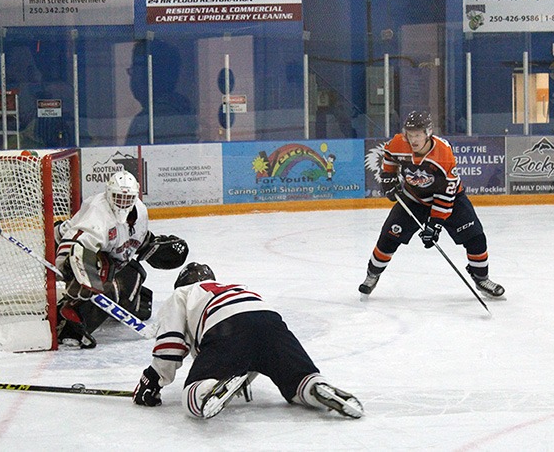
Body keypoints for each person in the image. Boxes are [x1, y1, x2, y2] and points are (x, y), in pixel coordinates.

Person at [132, 262, 363, 420]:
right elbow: (252, 343)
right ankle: (315, 388)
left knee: (192, 400)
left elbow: (171, 343)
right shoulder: (235, 287)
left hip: (226, 326)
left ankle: (207, 389)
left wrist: (153, 380)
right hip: (270, 321)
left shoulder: (182, 294)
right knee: (297, 380)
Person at [359, 111, 505, 300]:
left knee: (475, 237)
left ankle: (481, 278)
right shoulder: (398, 143)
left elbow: (445, 195)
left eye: (418, 134)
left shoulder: (443, 154)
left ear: (428, 133)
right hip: (414, 198)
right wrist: (388, 177)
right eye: (410, 135)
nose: (413, 140)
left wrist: (435, 225)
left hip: (450, 199)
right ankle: (372, 275)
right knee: (388, 237)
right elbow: (389, 155)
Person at [54, 170, 189, 348]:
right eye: (117, 197)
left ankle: (112, 297)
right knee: (106, 279)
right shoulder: (98, 213)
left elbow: (130, 239)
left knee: (135, 281)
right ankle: (69, 319)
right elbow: (75, 243)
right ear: (108, 193)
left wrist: (150, 245)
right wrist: (71, 268)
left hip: (108, 256)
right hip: (69, 248)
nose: (122, 203)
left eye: (127, 198)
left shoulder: (140, 211)